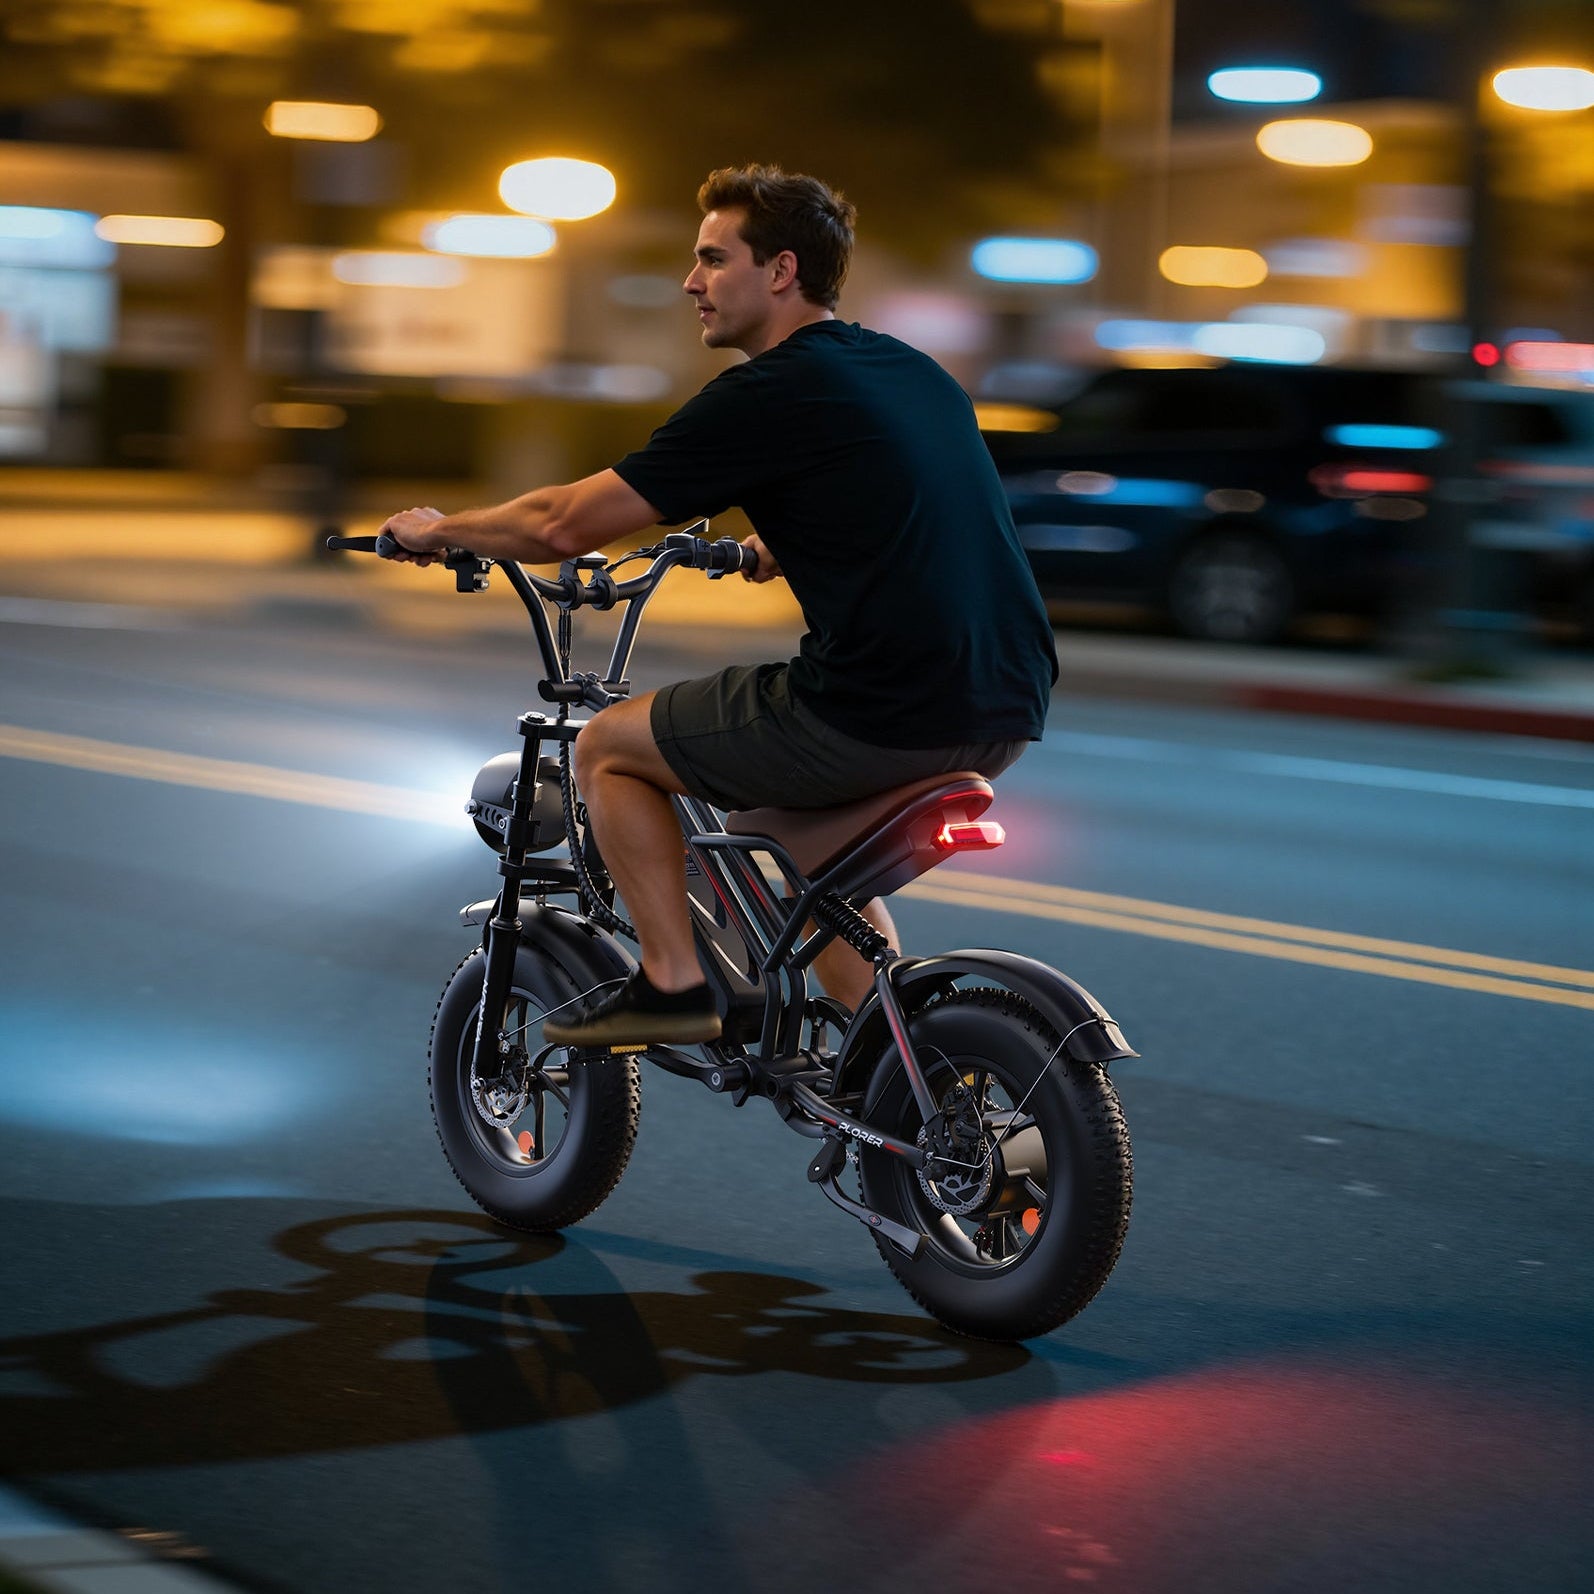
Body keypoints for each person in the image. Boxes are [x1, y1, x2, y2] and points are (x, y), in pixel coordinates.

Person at [379, 164, 1058, 1046]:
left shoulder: (766, 394)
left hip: (877, 708)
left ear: (779, 271)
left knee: (611, 747)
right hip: (1004, 702)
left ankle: (673, 984)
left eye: (711, 259)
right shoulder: (904, 367)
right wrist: (787, 538)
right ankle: (895, 1065)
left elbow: (562, 525)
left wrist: (444, 531)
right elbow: (907, 492)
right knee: (766, 854)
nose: (690, 283)